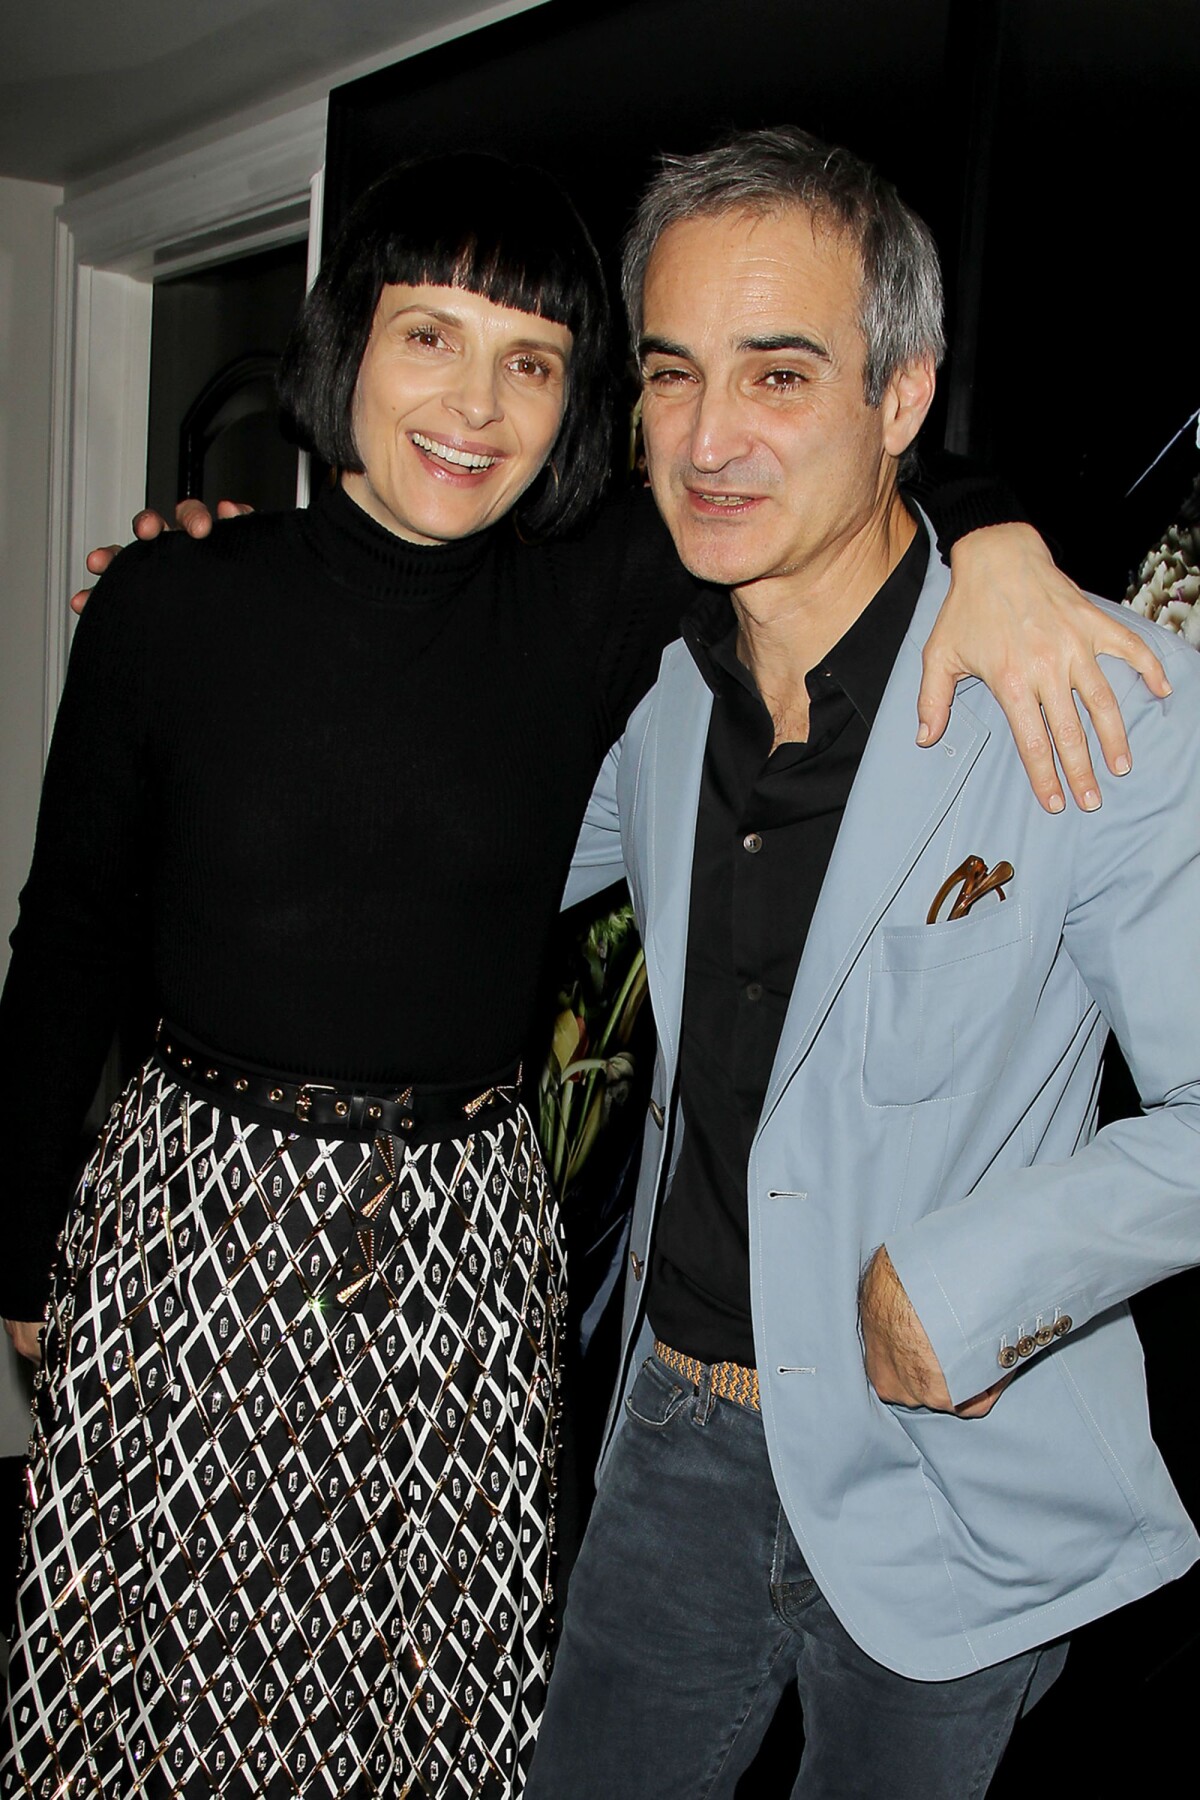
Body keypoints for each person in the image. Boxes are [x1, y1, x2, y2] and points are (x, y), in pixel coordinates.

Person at [0, 145, 1160, 1800]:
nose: (476, 401)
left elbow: (854, 466)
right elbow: (71, 941)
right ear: (349, 348)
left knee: (423, 1701)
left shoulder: (603, 595)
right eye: (429, 338)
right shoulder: (177, 602)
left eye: (532, 361)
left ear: (571, 408)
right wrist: (23, 1250)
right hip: (203, 1228)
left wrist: (1008, 548)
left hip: (468, 1247)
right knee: (172, 1697)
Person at [527, 125, 1200, 1799]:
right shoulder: (658, 703)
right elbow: (444, 848)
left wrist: (967, 1288)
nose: (705, 440)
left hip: (943, 1458)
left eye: (779, 376)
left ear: (903, 399)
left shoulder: (1090, 704)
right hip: (672, 1441)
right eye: (672, 376)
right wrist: (257, 597)